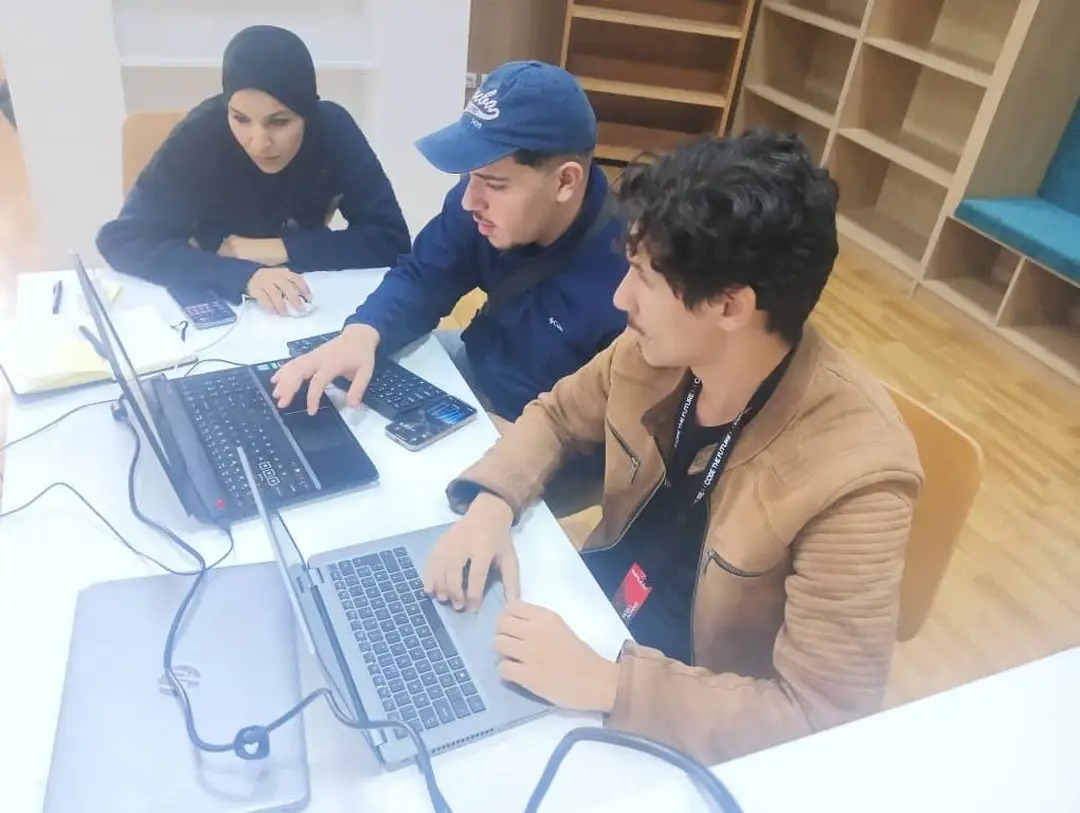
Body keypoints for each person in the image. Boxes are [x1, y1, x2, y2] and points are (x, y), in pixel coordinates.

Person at [421, 129, 924, 765]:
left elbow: (821, 717)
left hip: (689, 721)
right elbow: (556, 416)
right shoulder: (657, 350)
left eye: (642, 279)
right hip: (594, 623)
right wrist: (491, 506)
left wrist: (610, 683)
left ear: (730, 306)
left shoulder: (857, 473)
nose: (620, 298)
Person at [270, 61, 628, 450]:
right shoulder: (479, 207)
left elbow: (620, 439)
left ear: (565, 181)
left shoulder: (629, 279)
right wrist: (361, 333)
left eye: (494, 183)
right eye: (468, 175)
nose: (470, 200)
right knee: (334, 418)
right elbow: (423, 277)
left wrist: (520, 442)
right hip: (473, 370)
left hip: (545, 437)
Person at [96, 25, 410, 316]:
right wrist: (242, 275)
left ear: (307, 113)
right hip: (215, 301)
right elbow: (123, 240)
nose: (259, 143)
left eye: (279, 121)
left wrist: (278, 248)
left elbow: (391, 240)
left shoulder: (332, 128)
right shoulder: (200, 134)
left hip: (306, 298)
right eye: (240, 118)